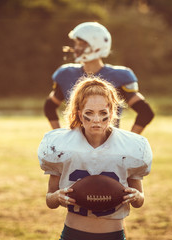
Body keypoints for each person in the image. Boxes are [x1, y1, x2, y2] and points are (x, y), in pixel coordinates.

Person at [38, 76, 152, 240]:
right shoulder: (61, 146)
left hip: (113, 234)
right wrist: (57, 196)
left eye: (103, 113)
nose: (96, 120)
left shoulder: (131, 147)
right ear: (79, 113)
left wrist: (136, 195)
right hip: (73, 233)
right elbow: (50, 200)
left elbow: (139, 201)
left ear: (112, 113)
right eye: (89, 113)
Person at [44, 22, 154, 134]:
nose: (76, 48)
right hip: (76, 147)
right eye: (76, 44)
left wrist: (128, 142)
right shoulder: (66, 74)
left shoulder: (120, 76)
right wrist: (59, 137)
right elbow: (49, 107)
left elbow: (145, 112)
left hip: (107, 145)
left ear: (97, 45)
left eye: (82, 44)